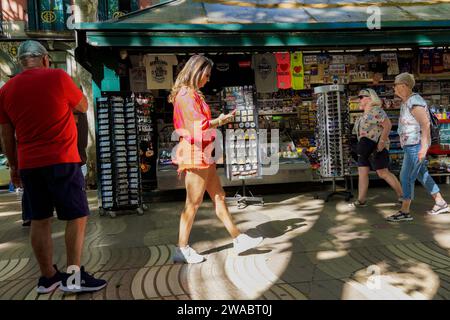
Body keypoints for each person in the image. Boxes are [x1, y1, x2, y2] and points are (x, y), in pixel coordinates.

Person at [0, 40, 107, 293]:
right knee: (77, 216)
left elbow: (5, 134)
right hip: (62, 159)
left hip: (29, 164)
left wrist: (14, 168)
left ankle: (48, 277)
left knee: (39, 219)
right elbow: (83, 105)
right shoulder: (58, 77)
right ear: (46, 59)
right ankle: (73, 276)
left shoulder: (6, 90)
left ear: (21, 62)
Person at [168, 55, 263, 264]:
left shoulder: (190, 94)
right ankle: (181, 248)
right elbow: (197, 126)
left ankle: (238, 238)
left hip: (202, 152)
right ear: (197, 71)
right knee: (192, 204)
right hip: (195, 153)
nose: (208, 79)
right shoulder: (187, 95)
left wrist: (219, 121)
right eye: (207, 74)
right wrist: (219, 120)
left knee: (218, 196)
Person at [386, 73, 449, 222]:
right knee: (422, 175)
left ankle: (405, 211)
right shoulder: (407, 101)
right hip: (411, 145)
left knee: (406, 176)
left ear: (404, 85)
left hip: (415, 146)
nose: (394, 88)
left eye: (395, 85)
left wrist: (423, 147)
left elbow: (425, 124)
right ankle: (440, 202)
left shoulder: (414, 101)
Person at [351, 88, 403, 207]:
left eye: (361, 97)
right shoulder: (362, 116)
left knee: (383, 172)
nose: (359, 100)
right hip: (364, 149)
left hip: (376, 147)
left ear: (370, 98)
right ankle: (361, 200)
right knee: (362, 172)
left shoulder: (376, 111)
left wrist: (382, 142)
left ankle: (402, 195)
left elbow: (388, 125)